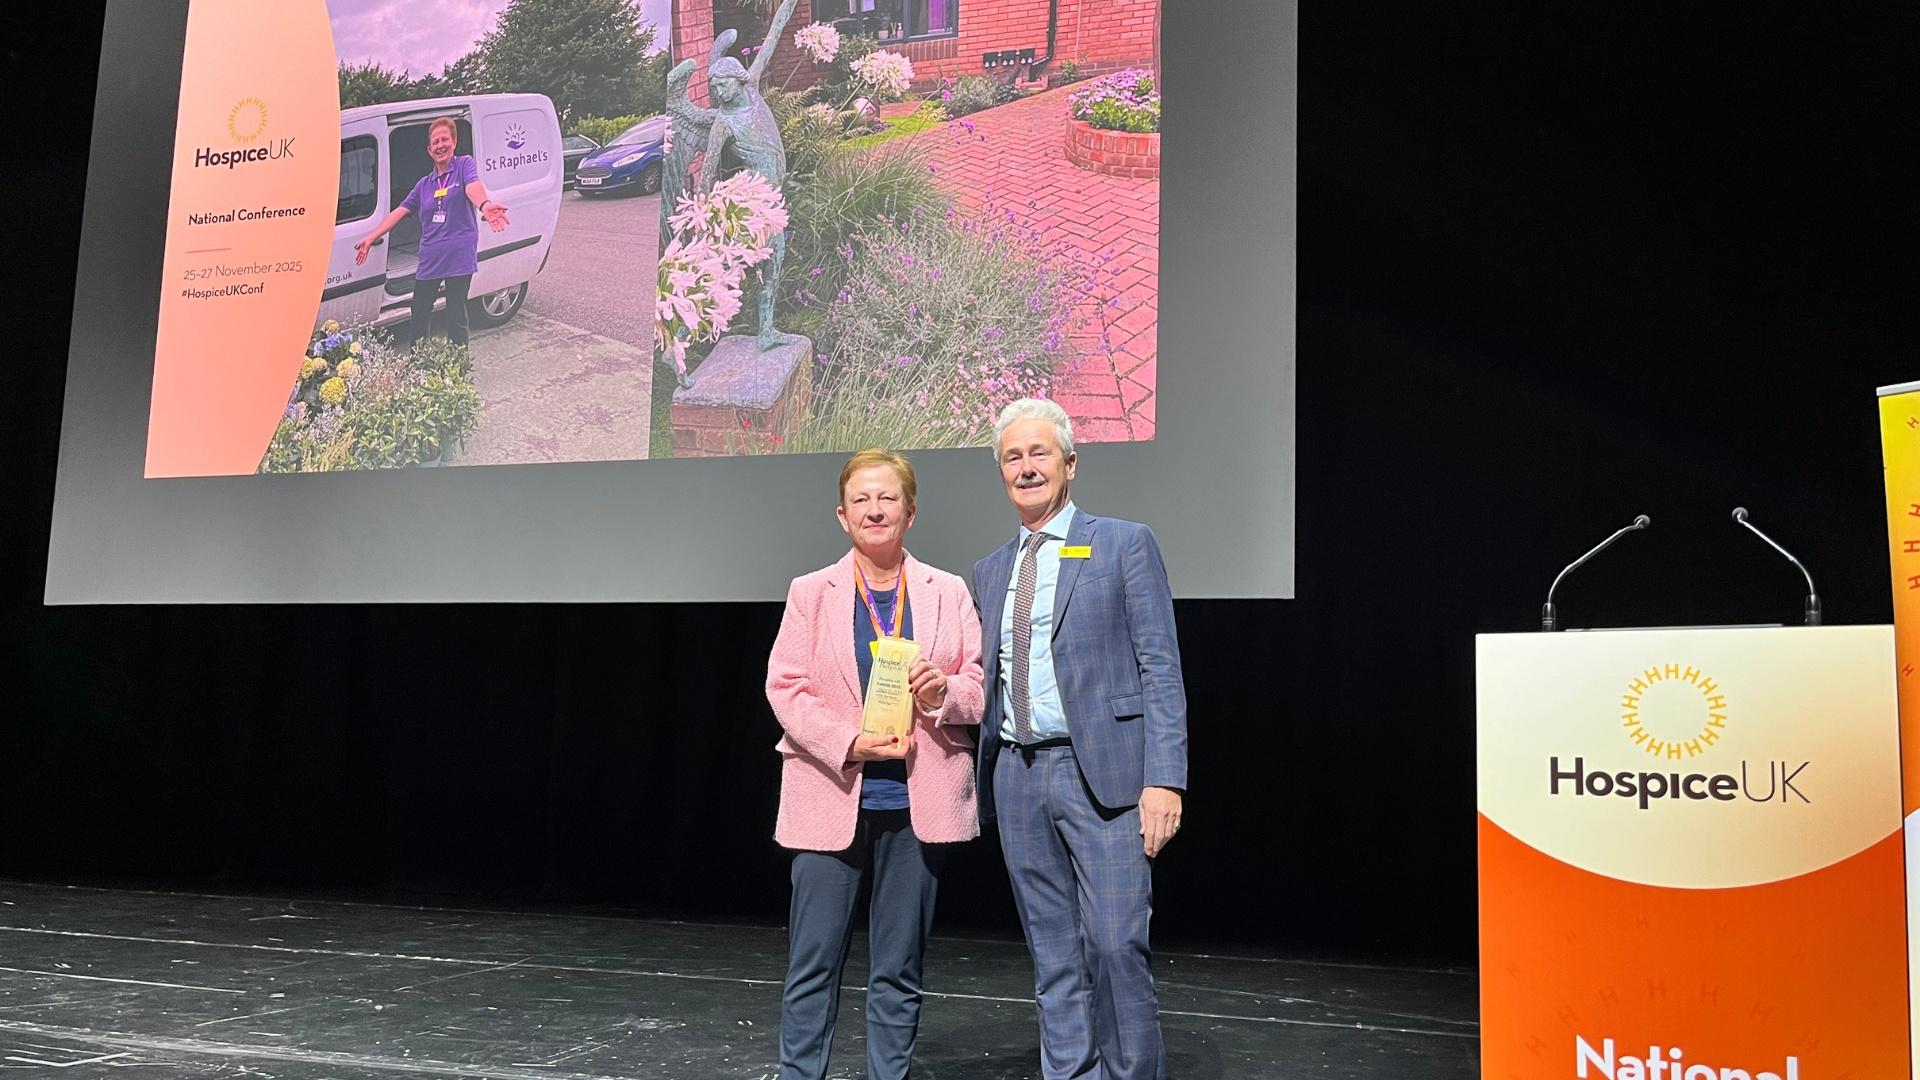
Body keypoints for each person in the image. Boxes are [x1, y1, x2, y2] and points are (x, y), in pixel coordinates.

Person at [971, 398, 1189, 1080]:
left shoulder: (1123, 542)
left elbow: (1160, 668)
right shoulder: (989, 571)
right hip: (1017, 773)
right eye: (1013, 456)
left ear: (1070, 463)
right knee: (1052, 949)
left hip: (1107, 775)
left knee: (1117, 942)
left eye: (1039, 453)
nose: (1026, 466)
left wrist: (1166, 778)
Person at [765, 448, 986, 1080]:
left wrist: (944, 692)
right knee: (813, 962)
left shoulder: (948, 591)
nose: (875, 509)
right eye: (861, 499)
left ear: (910, 512)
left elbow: (977, 682)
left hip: (918, 804)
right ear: (842, 515)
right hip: (831, 793)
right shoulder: (812, 591)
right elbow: (787, 688)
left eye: (887, 498)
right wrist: (848, 742)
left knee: (899, 966)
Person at [354, 116, 509, 349]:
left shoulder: (464, 166)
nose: (440, 146)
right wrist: (371, 236)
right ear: (429, 149)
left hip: (459, 253)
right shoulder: (424, 184)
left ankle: (458, 366)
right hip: (431, 256)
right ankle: (420, 361)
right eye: (435, 142)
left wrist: (485, 205)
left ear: (454, 142)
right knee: (420, 310)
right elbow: (399, 211)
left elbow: (473, 187)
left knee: (456, 312)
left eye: (445, 139)